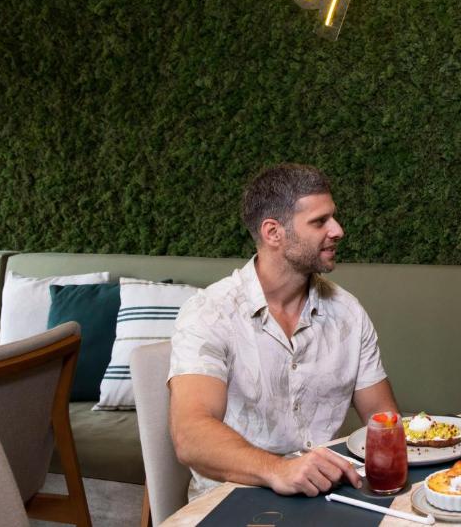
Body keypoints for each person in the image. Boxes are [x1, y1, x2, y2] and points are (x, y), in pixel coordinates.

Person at [169, 163, 399, 498]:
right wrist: (279, 470)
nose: (338, 230)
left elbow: (385, 421)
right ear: (273, 232)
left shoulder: (348, 312)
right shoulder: (209, 312)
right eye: (319, 221)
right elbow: (191, 436)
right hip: (233, 500)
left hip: (324, 494)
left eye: (333, 217)